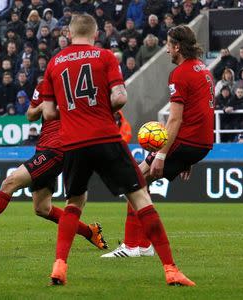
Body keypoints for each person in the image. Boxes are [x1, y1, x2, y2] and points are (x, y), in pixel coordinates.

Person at [41, 14, 194, 286]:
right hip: (104, 137)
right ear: (95, 32)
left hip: (73, 142)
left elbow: (49, 111)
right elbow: (120, 97)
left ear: (69, 33)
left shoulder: (54, 62)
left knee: (74, 203)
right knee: (140, 198)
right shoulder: (104, 57)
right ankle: (171, 269)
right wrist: (99, 109)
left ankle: (59, 266)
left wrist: (75, 112)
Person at [102, 26, 214, 264]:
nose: (165, 50)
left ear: (176, 46)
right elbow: (200, 112)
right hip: (199, 142)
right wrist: (187, 156)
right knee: (141, 182)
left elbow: (175, 119)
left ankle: (133, 245)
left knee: (133, 182)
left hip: (186, 141)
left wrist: (162, 154)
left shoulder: (180, 73)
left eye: (167, 44)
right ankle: (142, 245)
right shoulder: (202, 69)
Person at [0, 81, 107, 251]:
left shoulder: (77, 88)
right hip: (43, 148)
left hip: (57, 149)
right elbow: (30, 115)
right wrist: (43, 106)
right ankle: (90, 232)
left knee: (9, 183)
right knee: (42, 208)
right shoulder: (43, 86)